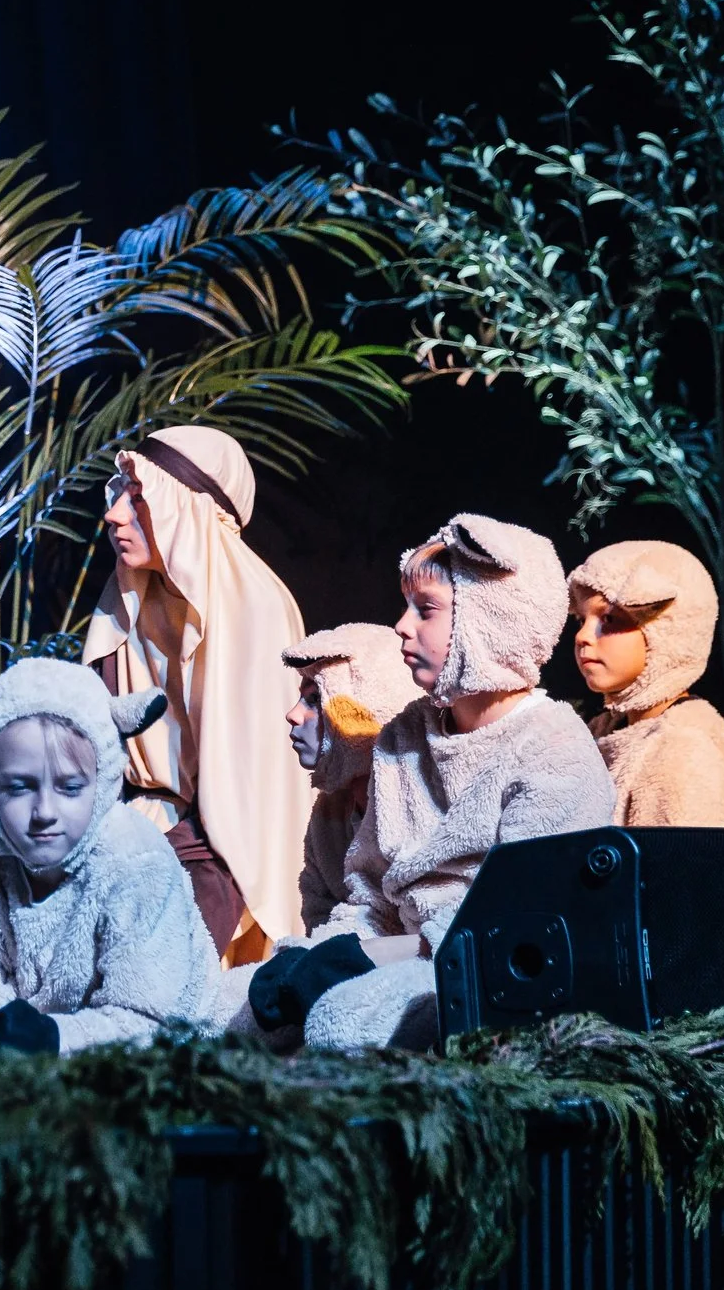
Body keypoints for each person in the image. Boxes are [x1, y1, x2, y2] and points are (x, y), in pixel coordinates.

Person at [247, 515, 616, 1050]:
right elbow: (369, 893)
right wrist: (321, 952)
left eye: (427, 609)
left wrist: (363, 959)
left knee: (339, 1022)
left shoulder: (553, 747)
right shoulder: (405, 735)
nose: (402, 625)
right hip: (396, 951)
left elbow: (516, 927)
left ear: (490, 618)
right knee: (234, 1014)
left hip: (491, 978)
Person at [83, 426, 313, 960]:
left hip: (220, 853)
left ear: (189, 514)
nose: (115, 514)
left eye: (139, 500)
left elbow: (244, 808)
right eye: (119, 495)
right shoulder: (130, 598)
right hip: (139, 828)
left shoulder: (254, 610)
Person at [0, 659, 216, 1059]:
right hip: (32, 1037)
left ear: (103, 779)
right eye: (19, 788)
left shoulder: (136, 859)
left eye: (70, 788)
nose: (44, 813)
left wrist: (42, 1040)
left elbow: (147, 1020)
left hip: (166, 1050)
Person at [567, 540, 724, 828]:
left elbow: (672, 869)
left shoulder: (681, 748)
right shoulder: (612, 728)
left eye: (609, 619)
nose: (583, 636)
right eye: (581, 619)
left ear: (666, 631)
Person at [280, 624, 424, 936]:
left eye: (315, 699)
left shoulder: (420, 803)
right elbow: (319, 911)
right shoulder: (328, 816)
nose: (293, 715)